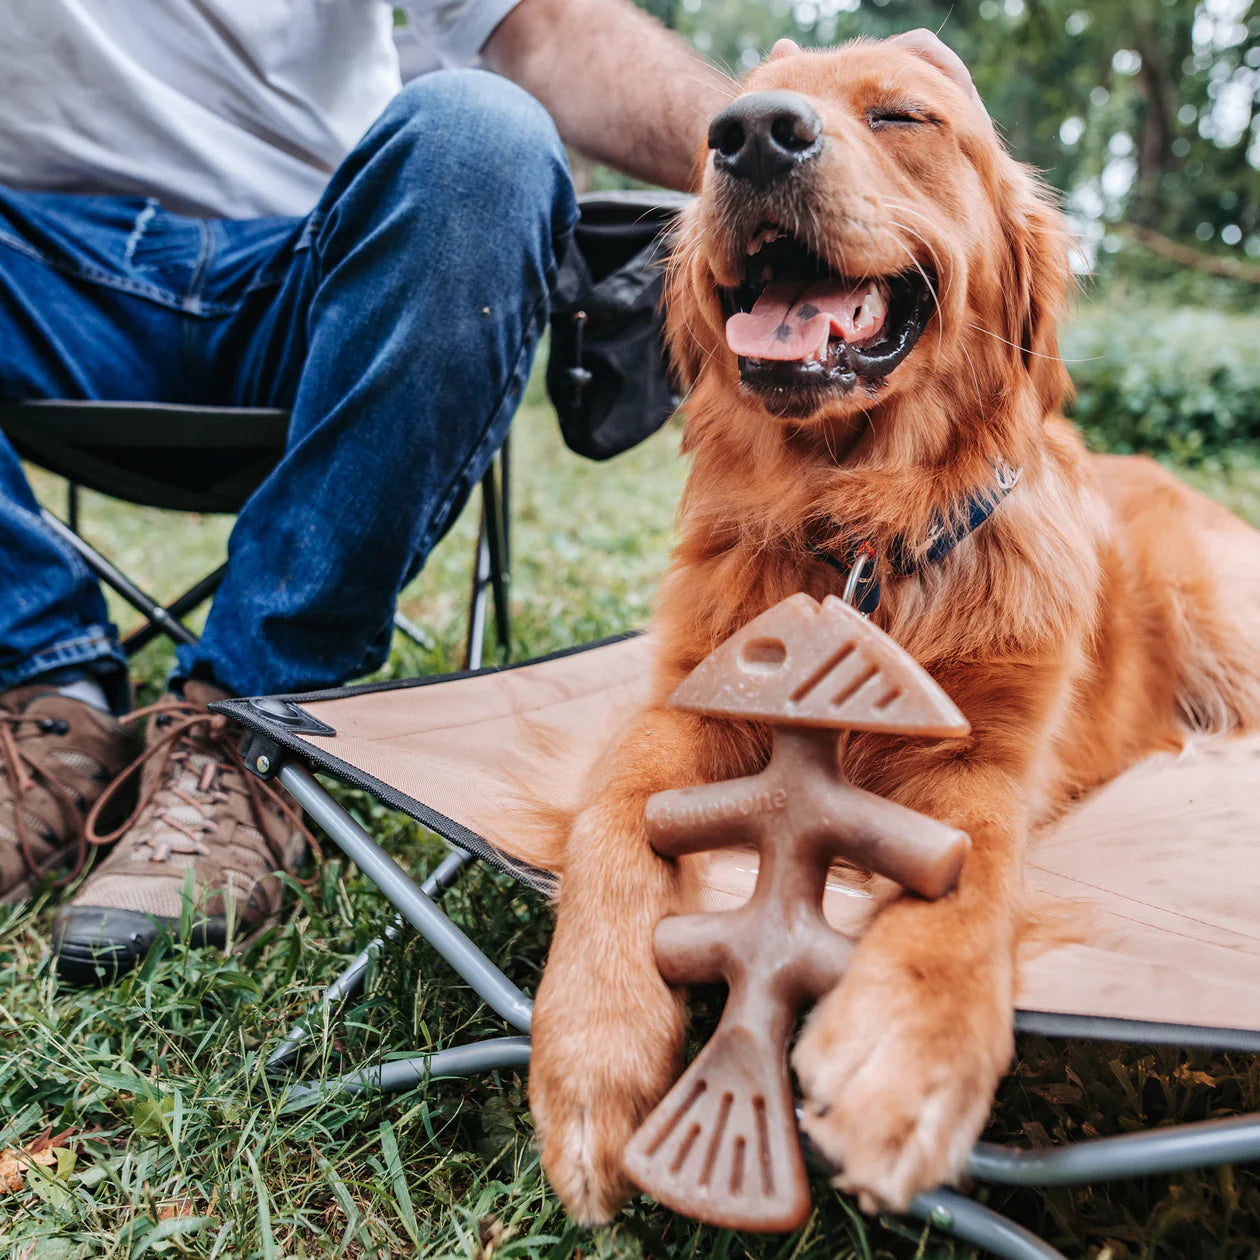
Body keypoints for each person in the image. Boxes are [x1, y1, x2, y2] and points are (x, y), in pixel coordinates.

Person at [0, 2, 975, 985]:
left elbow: (545, 26)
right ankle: (47, 695)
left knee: (484, 135)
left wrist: (806, 140)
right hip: (34, 273)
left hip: (335, 267)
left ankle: (246, 722)